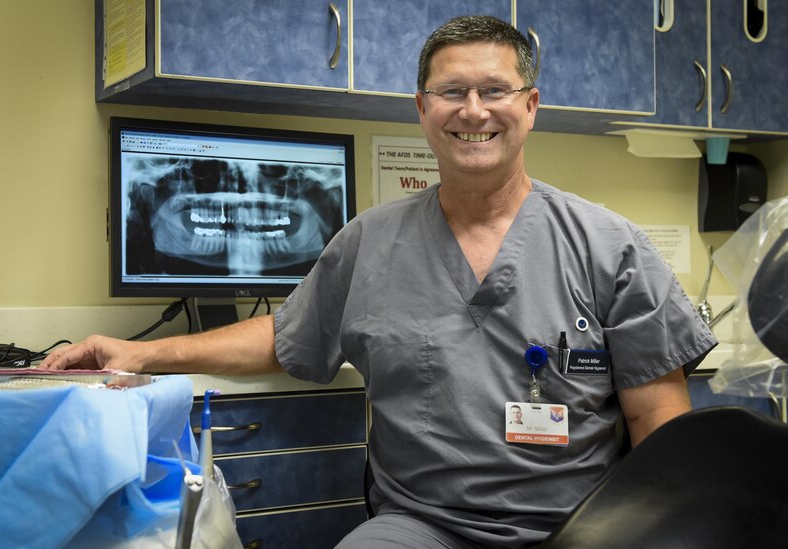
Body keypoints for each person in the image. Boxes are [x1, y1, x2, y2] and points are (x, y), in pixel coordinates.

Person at [40, 15, 717, 547]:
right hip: (422, 526)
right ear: (422, 109)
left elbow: (659, 431)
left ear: (530, 105)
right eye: (451, 92)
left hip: (580, 523)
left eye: (494, 91)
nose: (473, 110)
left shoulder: (607, 245)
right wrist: (139, 352)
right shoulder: (371, 240)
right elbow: (284, 336)